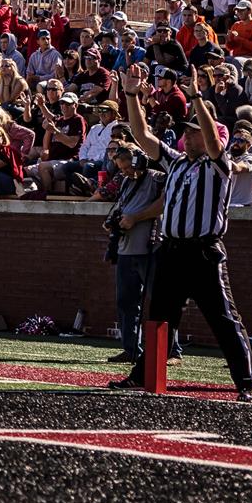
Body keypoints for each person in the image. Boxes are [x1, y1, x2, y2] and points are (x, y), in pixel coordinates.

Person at [114, 64, 252, 402]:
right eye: (187, 131)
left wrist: (196, 96)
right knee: (159, 316)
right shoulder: (177, 161)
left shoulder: (218, 164)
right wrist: (132, 95)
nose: (188, 136)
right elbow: (142, 137)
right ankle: (145, 375)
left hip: (204, 251)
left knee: (223, 318)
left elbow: (212, 141)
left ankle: (246, 382)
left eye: (194, 131)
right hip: (171, 249)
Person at [104, 138, 179, 364]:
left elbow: (167, 202)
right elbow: (121, 205)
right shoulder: (126, 182)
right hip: (127, 249)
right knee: (126, 302)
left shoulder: (157, 179)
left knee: (160, 302)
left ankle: (171, 351)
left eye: (128, 166)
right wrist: (112, 221)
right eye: (121, 168)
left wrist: (135, 218)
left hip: (151, 248)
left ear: (138, 160)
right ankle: (131, 348)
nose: (125, 172)